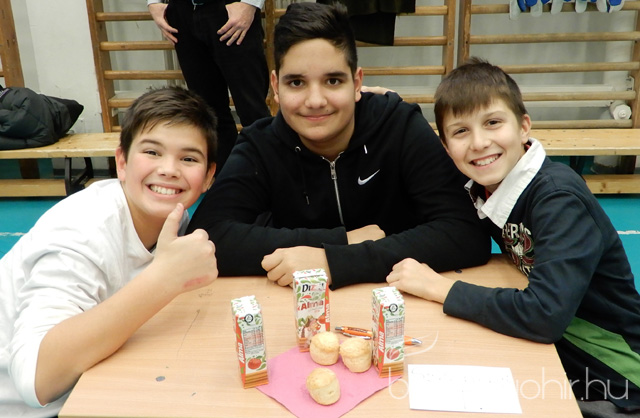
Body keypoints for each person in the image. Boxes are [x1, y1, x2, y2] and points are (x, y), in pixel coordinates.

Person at [386, 58, 640, 416]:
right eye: (461, 131)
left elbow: (545, 315)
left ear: (523, 127)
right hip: (563, 354)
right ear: (446, 147)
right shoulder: (487, 184)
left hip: (619, 381)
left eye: (493, 122)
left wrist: (438, 288)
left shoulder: (557, 198)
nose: (479, 143)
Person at [187, 2, 490, 289]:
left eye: (332, 81)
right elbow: (206, 237)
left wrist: (334, 261)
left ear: (357, 83)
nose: (315, 101)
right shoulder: (260, 145)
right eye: (296, 83)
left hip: (398, 301)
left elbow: (464, 232)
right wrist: (342, 239)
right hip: (301, 306)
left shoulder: (399, 125)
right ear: (276, 87)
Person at [0, 86, 218, 417]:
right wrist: (163, 280)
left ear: (209, 176)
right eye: (152, 152)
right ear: (122, 162)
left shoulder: (171, 216)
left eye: (188, 159)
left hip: (89, 385)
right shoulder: (83, 231)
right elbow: (36, 380)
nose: (169, 169)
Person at [148, 0, 271, 173]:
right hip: (182, 12)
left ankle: (269, 179)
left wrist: (250, 3)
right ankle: (224, 180)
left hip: (231, 8)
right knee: (209, 114)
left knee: (252, 111)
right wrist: (153, 2)